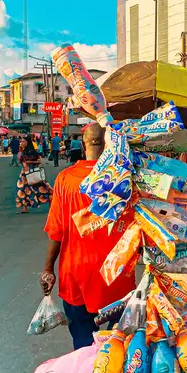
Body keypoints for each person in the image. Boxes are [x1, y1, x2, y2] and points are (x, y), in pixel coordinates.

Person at [40, 123, 135, 349]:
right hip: (116, 279)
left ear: (83, 145)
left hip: (76, 277)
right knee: (119, 346)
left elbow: (57, 230)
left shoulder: (65, 180)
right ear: (108, 146)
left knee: (83, 346)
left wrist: (47, 269)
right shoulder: (123, 179)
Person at [16, 135, 52, 214]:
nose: (21, 143)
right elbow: (21, 161)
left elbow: (39, 161)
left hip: (33, 172)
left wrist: (30, 162)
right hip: (24, 175)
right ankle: (25, 208)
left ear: (27, 142)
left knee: (41, 188)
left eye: (23, 141)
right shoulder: (22, 152)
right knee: (23, 190)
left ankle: (51, 202)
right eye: (21, 141)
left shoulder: (33, 151)